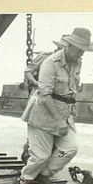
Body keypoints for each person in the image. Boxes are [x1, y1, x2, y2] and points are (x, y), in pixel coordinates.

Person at [17, 28, 93, 184]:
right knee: (40, 156)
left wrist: (68, 114)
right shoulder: (50, 62)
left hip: (64, 114)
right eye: (78, 48)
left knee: (70, 148)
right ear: (68, 45)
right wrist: (58, 121)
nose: (81, 53)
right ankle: (23, 180)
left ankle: (44, 175)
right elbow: (45, 95)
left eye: (83, 50)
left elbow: (72, 88)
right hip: (43, 114)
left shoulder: (77, 62)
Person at [21, 35, 69, 165]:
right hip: (40, 96)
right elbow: (28, 71)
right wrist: (36, 82)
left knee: (53, 127)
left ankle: (43, 161)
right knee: (37, 125)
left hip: (57, 100)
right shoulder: (45, 56)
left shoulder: (67, 63)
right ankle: (28, 154)